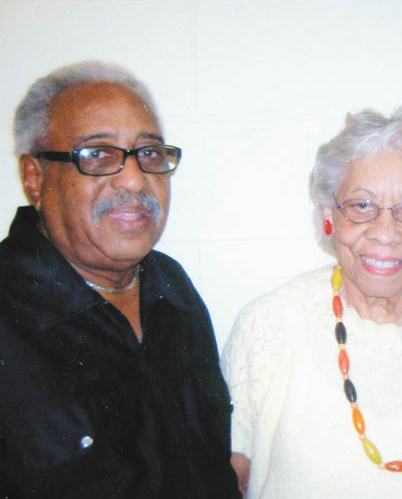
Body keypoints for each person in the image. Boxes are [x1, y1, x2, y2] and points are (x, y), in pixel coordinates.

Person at [222, 102, 402, 498]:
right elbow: (227, 476)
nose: (385, 232)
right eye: (362, 206)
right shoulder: (268, 325)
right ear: (330, 216)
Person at [0, 61, 240, 498]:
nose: (134, 178)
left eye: (149, 153)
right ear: (34, 178)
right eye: (97, 155)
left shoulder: (172, 287)